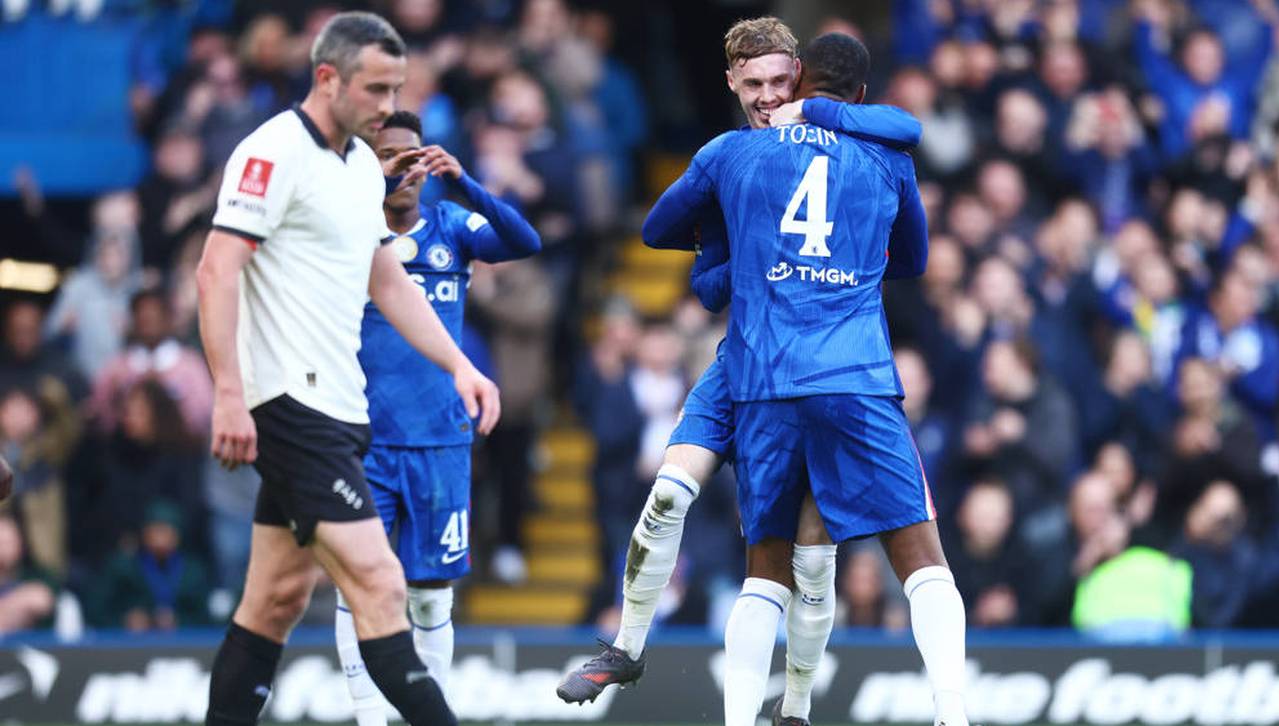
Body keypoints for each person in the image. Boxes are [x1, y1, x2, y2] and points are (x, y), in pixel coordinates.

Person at [556, 18, 923, 723]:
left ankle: (795, 706)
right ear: (730, 82)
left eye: (782, 83)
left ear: (802, 82)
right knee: (667, 495)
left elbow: (903, 136)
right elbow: (672, 245)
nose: (767, 97)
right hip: (745, 364)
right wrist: (725, 252)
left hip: (817, 366)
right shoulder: (730, 157)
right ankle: (626, 647)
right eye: (753, 84)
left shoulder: (845, 149)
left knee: (810, 566)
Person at [642, 31, 969, 726]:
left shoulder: (736, 153)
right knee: (921, 556)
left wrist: (743, 252)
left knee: (770, 567)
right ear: (858, 94)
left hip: (767, 379)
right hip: (855, 373)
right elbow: (911, 258)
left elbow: (659, 230)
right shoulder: (885, 153)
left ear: (797, 81)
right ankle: (953, 714)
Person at [196, 12, 498, 726]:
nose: (388, 105)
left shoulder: (362, 167)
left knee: (273, 602)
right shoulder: (271, 153)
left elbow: (385, 279)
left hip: (339, 407)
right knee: (381, 582)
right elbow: (216, 271)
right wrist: (230, 397)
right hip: (288, 406)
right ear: (326, 78)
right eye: (375, 88)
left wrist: (460, 365)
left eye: (396, 88)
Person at [335, 109, 540, 726]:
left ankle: (429, 716)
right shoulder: (350, 230)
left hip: (440, 442)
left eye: (414, 154)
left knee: (429, 597)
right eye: (389, 155)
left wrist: (468, 181)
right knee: (361, 587)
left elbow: (525, 241)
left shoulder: (452, 225)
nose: (407, 167)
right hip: (364, 441)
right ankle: (369, 718)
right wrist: (369, 183)